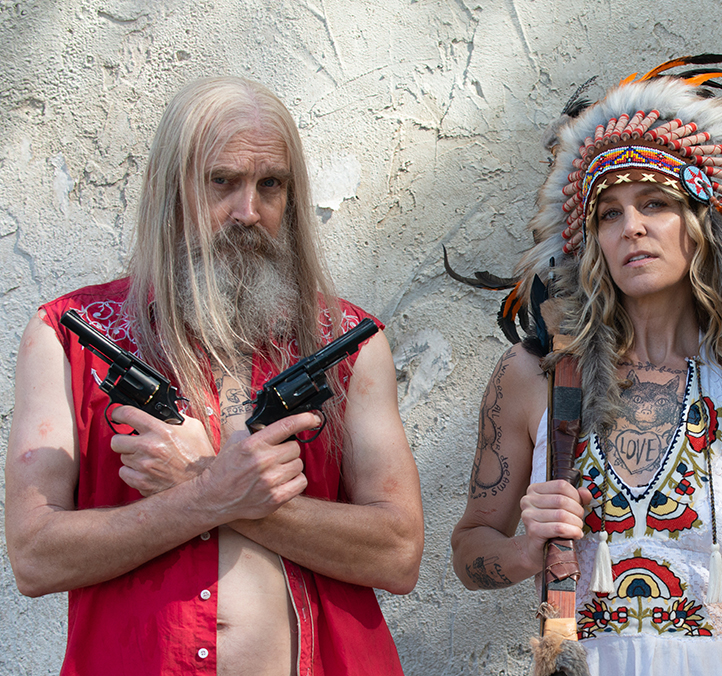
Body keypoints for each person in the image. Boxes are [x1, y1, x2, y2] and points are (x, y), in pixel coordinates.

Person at [450, 58, 722, 676]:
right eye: (611, 213)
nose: (633, 228)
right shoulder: (534, 377)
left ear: (701, 222)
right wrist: (527, 552)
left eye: (655, 202)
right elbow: (470, 550)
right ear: (593, 237)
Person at [4, 77, 424, 676]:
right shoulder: (68, 338)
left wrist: (204, 484)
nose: (247, 211)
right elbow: (35, 557)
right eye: (221, 182)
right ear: (169, 191)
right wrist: (208, 495)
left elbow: (399, 552)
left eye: (269, 185)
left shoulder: (349, 343)